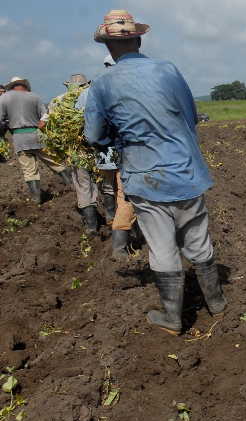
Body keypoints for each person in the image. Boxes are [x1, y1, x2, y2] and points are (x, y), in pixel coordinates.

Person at [84, 9, 227, 334]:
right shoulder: (168, 70)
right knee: (197, 239)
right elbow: (189, 115)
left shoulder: (103, 84)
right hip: (186, 170)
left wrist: (116, 135)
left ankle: (172, 318)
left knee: (162, 247)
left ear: (108, 47)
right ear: (137, 39)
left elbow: (94, 135)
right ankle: (216, 302)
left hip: (145, 176)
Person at [80, 56, 138, 259]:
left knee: (115, 189)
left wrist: (101, 141)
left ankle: (116, 230)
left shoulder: (95, 89)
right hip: (139, 150)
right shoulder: (136, 84)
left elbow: (91, 131)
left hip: (112, 150)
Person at [47, 73, 111, 235]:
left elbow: (45, 125)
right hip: (98, 148)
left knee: (83, 187)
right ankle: (112, 218)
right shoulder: (94, 96)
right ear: (87, 84)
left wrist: (60, 146)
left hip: (76, 151)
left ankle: (91, 226)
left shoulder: (59, 101)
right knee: (106, 183)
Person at [0, 77, 72, 204]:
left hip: (19, 137)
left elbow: (1, 119)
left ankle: (37, 199)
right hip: (37, 135)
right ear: (25, 85)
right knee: (55, 162)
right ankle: (72, 187)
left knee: (29, 170)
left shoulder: (4, 98)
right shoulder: (35, 96)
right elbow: (45, 116)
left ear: (11, 86)